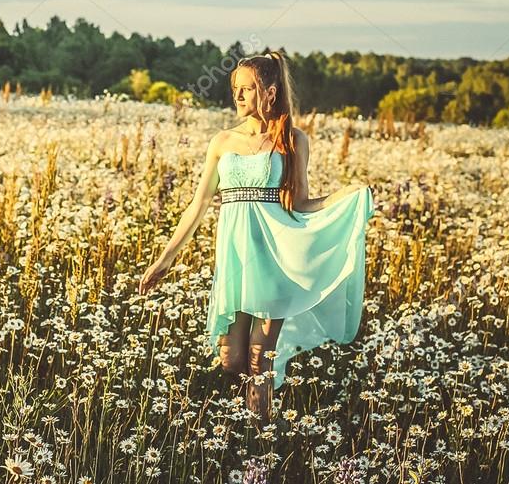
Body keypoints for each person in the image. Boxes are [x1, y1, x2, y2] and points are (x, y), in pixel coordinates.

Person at [138, 50, 375, 429]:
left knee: (260, 355)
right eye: (235, 88)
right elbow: (198, 204)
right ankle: (242, 425)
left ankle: (259, 440)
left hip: (274, 256)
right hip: (234, 258)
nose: (238, 96)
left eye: (247, 89)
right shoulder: (222, 141)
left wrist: (347, 196)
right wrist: (164, 259)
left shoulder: (292, 139)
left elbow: (301, 202)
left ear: (269, 91)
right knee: (231, 358)